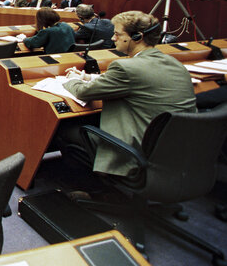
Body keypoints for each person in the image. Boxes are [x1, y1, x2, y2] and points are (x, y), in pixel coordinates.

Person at [62, 12, 196, 176]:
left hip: (137, 151)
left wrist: (70, 80)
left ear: (137, 36)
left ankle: (98, 189)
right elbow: (139, 78)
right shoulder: (175, 63)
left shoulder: (125, 68)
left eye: (117, 34)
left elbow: (83, 92)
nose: (112, 38)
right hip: (174, 150)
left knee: (65, 130)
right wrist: (88, 76)